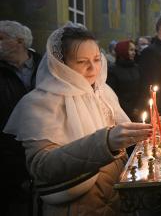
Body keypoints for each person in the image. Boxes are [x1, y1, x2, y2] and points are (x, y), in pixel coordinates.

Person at [4, 23, 152, 215]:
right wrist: (105, 142)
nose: (93, 68)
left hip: (115, 198)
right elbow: (42, 167)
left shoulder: (103, 92)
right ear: (61, 63)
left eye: (97, 59)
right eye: (82, 62)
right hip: (73, 205)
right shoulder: (40, 103)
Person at [0, 20, 42, 215]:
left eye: (1, 38)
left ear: (19, 41)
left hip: (45, 139)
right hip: (10, 147)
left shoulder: (45, 65)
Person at [107, 40, 142, 121]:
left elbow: (142, 88)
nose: (134, 53)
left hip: (138, 110)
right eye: (131, 50)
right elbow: (112, 93)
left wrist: (139, 107)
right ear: (122, 50)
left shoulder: (136, 67)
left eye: (134, 50)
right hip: (122, 112)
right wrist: (130, 110)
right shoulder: (112, 70)